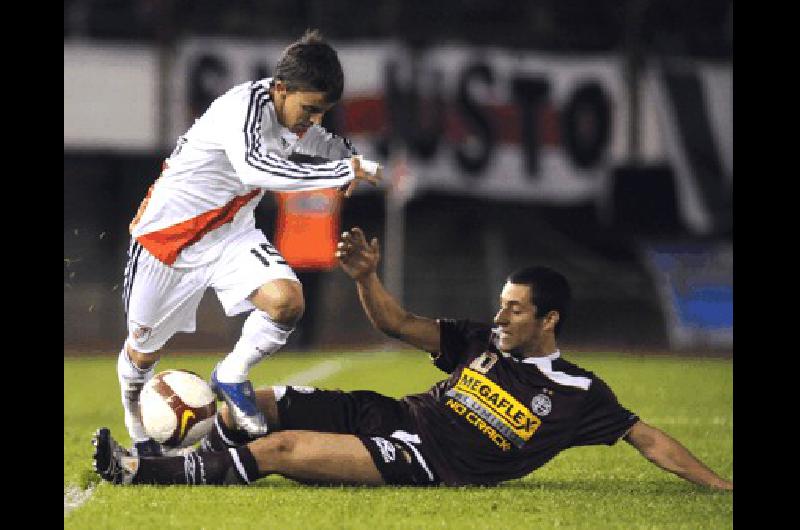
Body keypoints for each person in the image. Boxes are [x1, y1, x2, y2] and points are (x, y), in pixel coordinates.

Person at [94, 228, 733, 490]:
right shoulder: (480, 341)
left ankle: (139, 471)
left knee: (282, 451)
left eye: (514, 309)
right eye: (501, 305)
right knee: (261, 401)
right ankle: (170, 444)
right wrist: (367, 276)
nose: (500, 316)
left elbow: (647, 438)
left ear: (549, 320)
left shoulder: (577, 393)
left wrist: (719, 486)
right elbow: (397, 324)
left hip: (429, 460)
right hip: (392, 414)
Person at [116, 29, 382, 457]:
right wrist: (337, 173)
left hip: (230, 235)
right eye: (309, 109)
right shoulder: (240, 108)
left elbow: (321, 142)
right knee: (142, 355)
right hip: (166, 243)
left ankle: (232, 373)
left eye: (321, 112)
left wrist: (351, 159)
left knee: (287, 301)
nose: (313, 120)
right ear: (280, 89)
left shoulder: (293, 116)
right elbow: (257, 169)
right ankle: (139, 431)